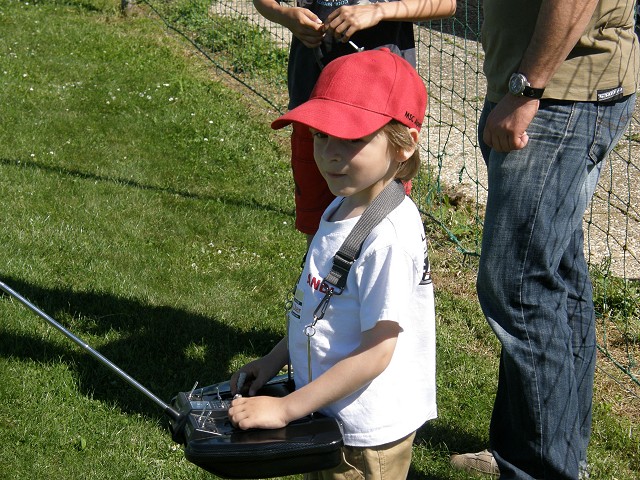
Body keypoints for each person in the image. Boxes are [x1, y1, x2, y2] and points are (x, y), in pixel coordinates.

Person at [450, 1, 639, 479]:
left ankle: (541, 469)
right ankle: (534, 452)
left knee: (518, 286)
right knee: (557, 276)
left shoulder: (539, 91)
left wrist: (526, 88)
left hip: (557, 97)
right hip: (549, 91)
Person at [228, 48, 437, 479]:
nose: (330, 154)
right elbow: (318, 308)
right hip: (328, 413)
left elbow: (377, 353)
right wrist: (273, 360)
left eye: (352, 138)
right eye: (321, 135)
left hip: (365, 433)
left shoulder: (387, 237)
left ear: (403, 145)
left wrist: (286, 408)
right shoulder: (342, 206)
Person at [252, 0, 456, 240]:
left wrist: (379, 11)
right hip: (314, 101)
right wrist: (284, 15)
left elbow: (446, 4)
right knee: (320, 225)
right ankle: (319, 274)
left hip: (378, 108)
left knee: (381, 225)